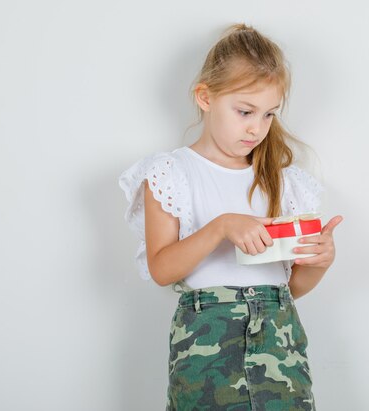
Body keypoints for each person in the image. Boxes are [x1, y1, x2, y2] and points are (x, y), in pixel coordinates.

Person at [118, 22, 343, 411]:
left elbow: (292, 287)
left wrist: (320, 260)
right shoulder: (172, 173)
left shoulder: (282, 182)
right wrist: (222, 226)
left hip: (279, 338)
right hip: (206, 345)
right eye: (245, 111)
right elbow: (162, 269)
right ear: (205, 97)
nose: (257, 128)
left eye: (269, 114)